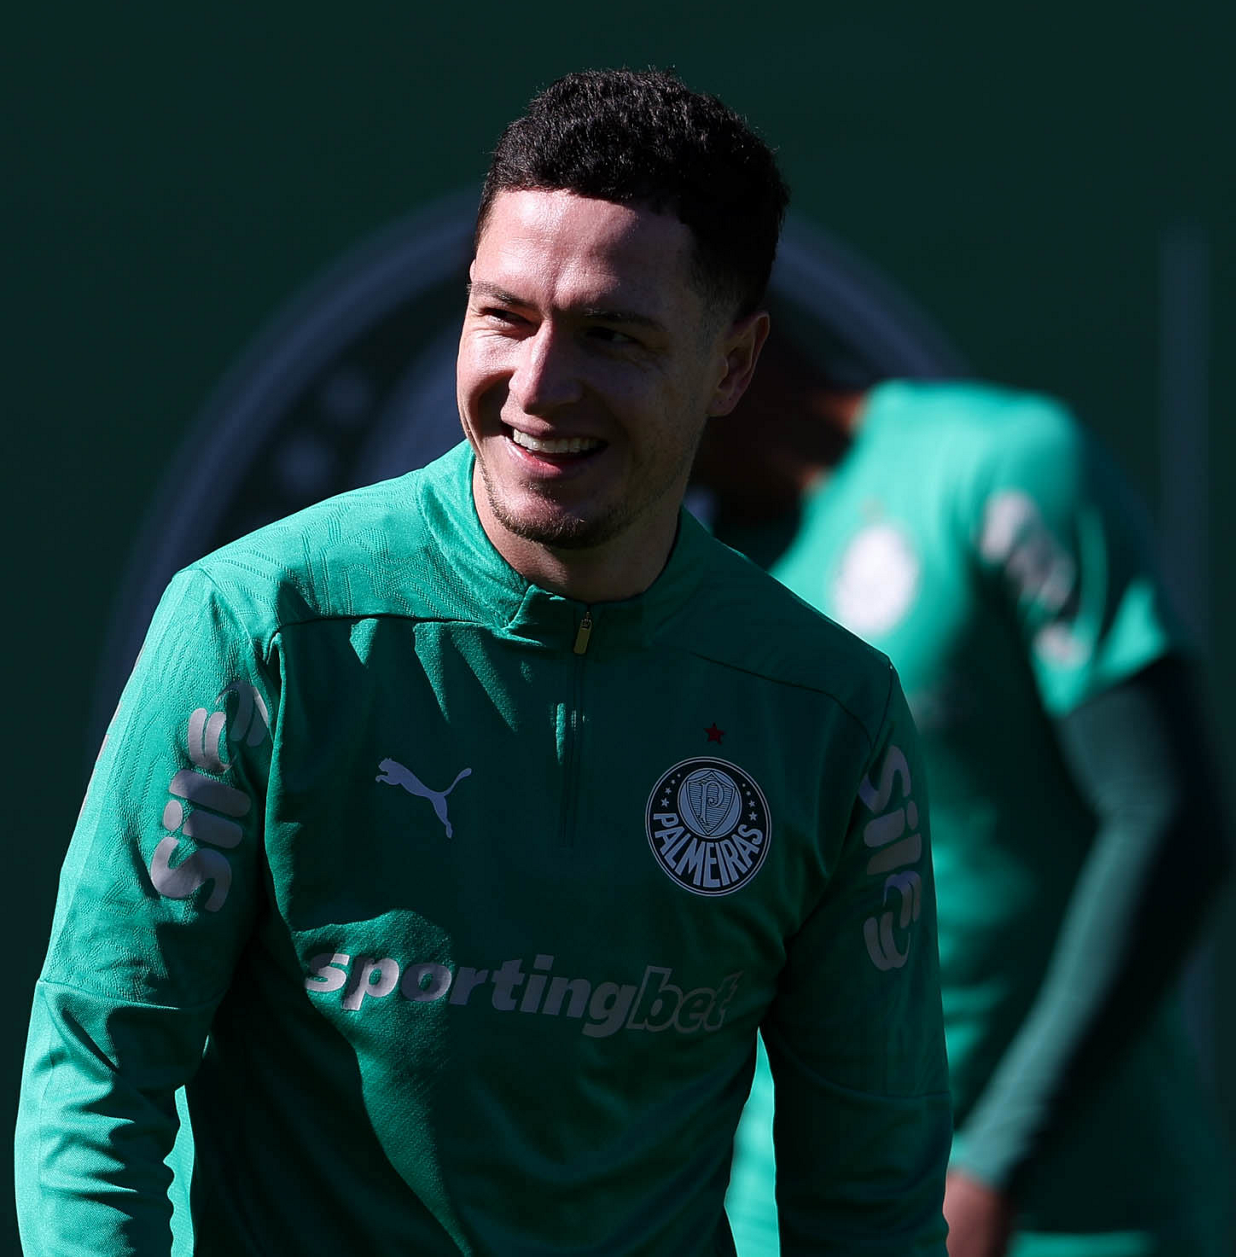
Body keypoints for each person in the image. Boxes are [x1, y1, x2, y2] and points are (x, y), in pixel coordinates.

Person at [16, 70, 952, 1255]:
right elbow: (98, 1071)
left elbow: (870, 1198)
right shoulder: (260, 628)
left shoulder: (828, 714)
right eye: (505, 315)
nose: (539, 385)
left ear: (733, 362)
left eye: (612, 335)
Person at [704, 342, 1234, 1257]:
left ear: (733, 341)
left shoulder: (1001, 465)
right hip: (784, 1213)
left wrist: (995, 1165)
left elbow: (1164, 817)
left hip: (1074, 1216)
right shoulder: (681, 580)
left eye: (622, 337)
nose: (570, 389)